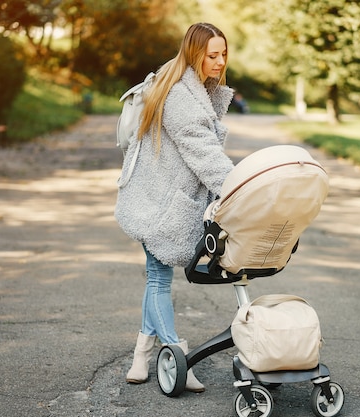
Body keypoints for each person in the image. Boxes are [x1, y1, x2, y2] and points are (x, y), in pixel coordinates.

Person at [114, 22, 235, 393]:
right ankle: (178, 355)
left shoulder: (191, 84)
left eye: (223, 54)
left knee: (156, 277)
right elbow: (203, 151)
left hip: (165, 197)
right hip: (157, 200)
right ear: (194, 53)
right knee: (158, 278)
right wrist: (239, 188)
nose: (219, 61)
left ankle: (141, 354)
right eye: (212, 55)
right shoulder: (183, 95)